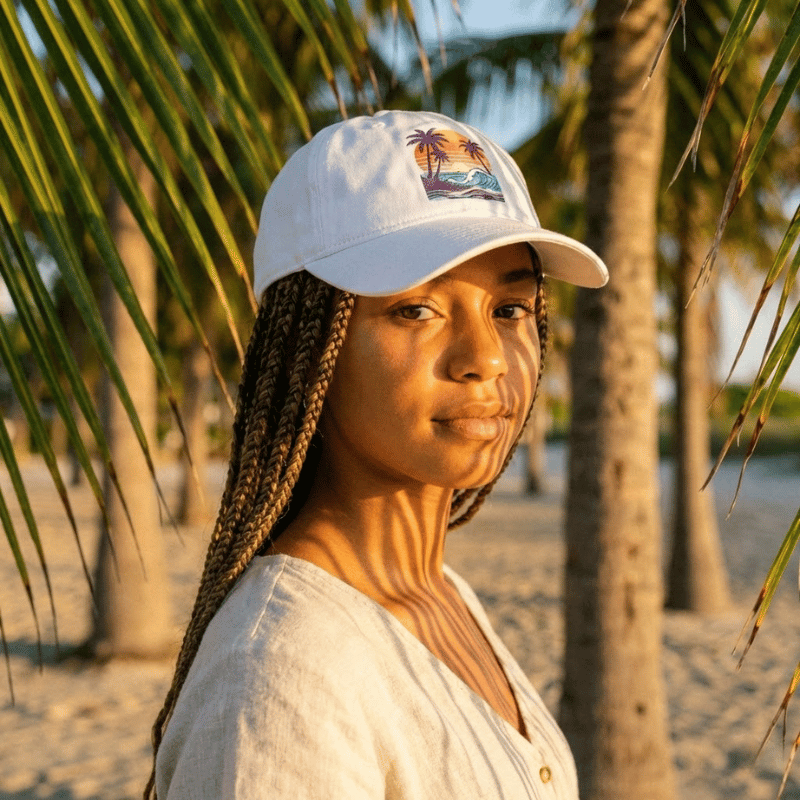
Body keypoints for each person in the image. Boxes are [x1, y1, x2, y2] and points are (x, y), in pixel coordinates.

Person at [149, 109, 608, 800]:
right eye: (416, 310)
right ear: (312, 354)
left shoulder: (442, 594)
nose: (484, 358)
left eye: (509, 309)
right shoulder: (282, 671)